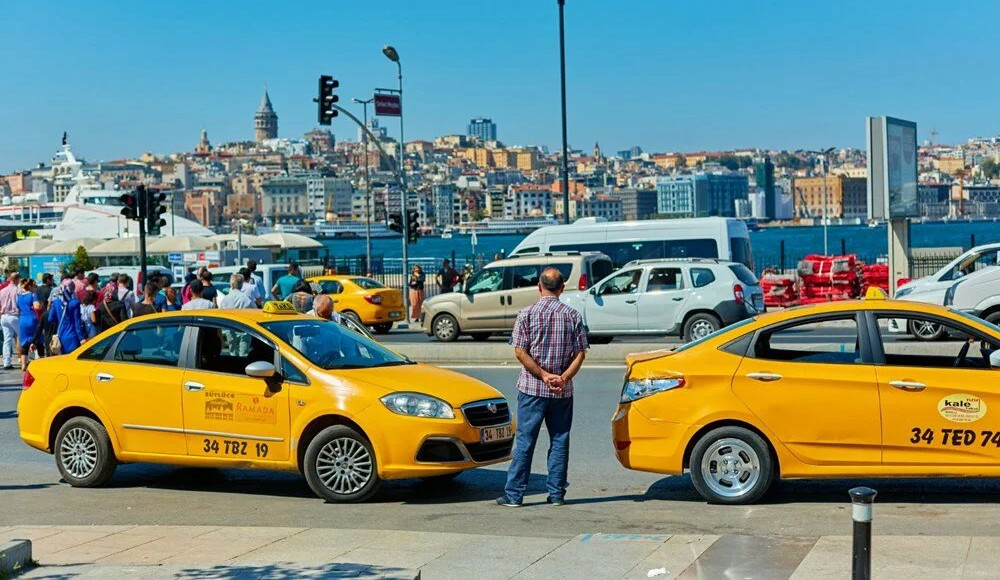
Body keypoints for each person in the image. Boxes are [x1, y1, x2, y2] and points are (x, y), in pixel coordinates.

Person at [497, 268, 588, 508]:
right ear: (561, 288)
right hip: (562, 392)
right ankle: (557, 494)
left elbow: (520, 351)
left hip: (531, 389)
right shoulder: (573, 316)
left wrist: (543, 375)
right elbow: (580, 353)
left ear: (539, 287)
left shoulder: (526, 314)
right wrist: (564, 377)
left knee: (526, 441)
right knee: (559, 440)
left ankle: (515, 494)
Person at [49, 281, 86, 355]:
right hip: (73, 337)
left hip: (61, 335)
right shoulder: (75, 303)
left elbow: (50, 318)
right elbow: (77, 323)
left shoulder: (56, 302)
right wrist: (81, 338)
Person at [16, 278, 41, 371]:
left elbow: (17, 310)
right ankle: (39, 359)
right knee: (36, 339)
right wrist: (41, 305)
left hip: (22, 320)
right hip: (31, 318)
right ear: (30, 286)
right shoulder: (33, 295)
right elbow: (37, 306)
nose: (35, 288)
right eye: (34, 286)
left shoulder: (19, 296)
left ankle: (23, 364)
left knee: (24, 343)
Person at [0, 272, 21, 370]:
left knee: (7, 340)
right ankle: (27, 358)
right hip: (15, 316)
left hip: (4, 316)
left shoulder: (2, 291)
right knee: (22, 337)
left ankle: (6, 363)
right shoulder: (18, 290)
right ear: (17, 279)